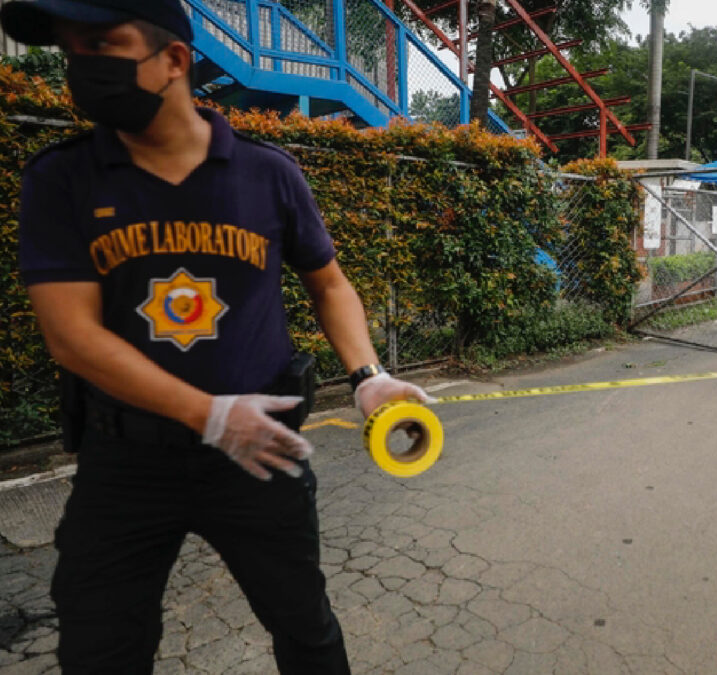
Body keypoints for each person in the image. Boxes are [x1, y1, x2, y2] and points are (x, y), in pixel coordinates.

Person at [3, 0, 431, 670]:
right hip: (125, 461)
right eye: (69, 50)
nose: (79, 68)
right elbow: (72, 336)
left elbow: (330, 284)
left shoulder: (268, 174)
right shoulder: (61, 179)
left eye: (101, 44)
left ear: (173, 60)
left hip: (258, 451)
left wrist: (368, 376)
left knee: (306, 629)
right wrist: (207, 414)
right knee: (100, 647)